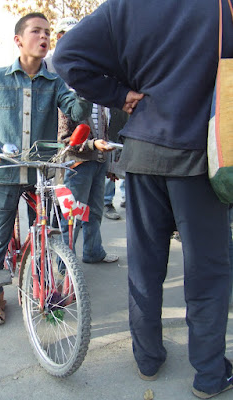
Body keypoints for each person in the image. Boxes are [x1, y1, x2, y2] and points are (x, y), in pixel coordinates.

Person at [53, 0, 233, 398]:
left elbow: (65, 57)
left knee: (145, 267)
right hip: (201, 157)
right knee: (208, 271)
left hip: (142, 153)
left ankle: (148, 360)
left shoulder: (124, 6)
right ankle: (208, 373)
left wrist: (119, 93)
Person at [0, 12, 92, 325]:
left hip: (40, 174)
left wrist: (86, 85)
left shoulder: (55, 82)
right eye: (36, 31)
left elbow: (75, 111)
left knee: (46, 233)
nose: (44, 37)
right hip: (4, 173)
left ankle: (44, 287)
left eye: (48, 32)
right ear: (19, 40)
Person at [47, 17, 119, 264]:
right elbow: (65, 139)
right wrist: (91, 146)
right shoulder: (64, 88)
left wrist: (107, 162)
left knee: (94, 212)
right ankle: (64, 262)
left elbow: (104, 125)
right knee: (72, 214)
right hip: (76, 165)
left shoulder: (96, 84)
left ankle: (93, 252)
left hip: (97, 161)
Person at [104, 108, 128, 220]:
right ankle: (107, 202)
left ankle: (127, 197)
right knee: (110, 167)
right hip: (110, 131)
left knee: (127, 164)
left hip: (124, 125)